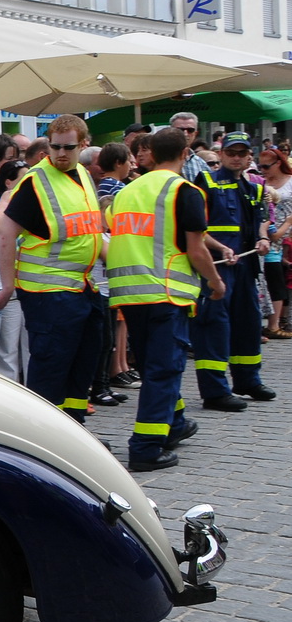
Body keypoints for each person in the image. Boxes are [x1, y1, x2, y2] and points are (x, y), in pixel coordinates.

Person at [105, 127, 224, 470]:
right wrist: (215, 282)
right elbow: (196, 249)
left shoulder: (127, 192)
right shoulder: (184, 191)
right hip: (166, 293)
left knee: (154, 366)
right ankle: (145, 448)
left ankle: (175, 423)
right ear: (186, 153)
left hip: (129, 294)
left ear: (151, 154)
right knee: (164, 370)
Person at [0, 115, 107, 421]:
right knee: (50, 372)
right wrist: (6, 285)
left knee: (82, 369)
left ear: (84, 144)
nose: (60, 154)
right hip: (48, 294)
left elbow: (90, 232)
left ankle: (76, 432)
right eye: (54, 147)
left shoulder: (81, 173)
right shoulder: (35, 182)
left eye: (68, 147)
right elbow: (6, 232)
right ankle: (47, 438)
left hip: (81, 288)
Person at [190, 134, 275, 408]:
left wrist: (263, 237)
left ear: (249, 155)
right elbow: (195, 229)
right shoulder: (206, 182)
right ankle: (215, 391)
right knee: (214, 326)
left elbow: (261, 220)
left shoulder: (254, 188)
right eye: (231, 152)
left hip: (245, 269)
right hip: (216, 267)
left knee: (248, 324)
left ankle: (248, 380)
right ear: (222, 154)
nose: (236, 157)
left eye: (241, 152)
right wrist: (221, 248)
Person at [261, 145, 292, 337]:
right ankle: (276, 322)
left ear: (279, 163)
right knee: (273, 279)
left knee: (282, 280)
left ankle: (281, 321)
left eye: (267, 166)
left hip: (285, 236)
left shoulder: (290, 181)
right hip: (271, 234)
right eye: (261, 166)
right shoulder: (260, 180)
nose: (263, 170)